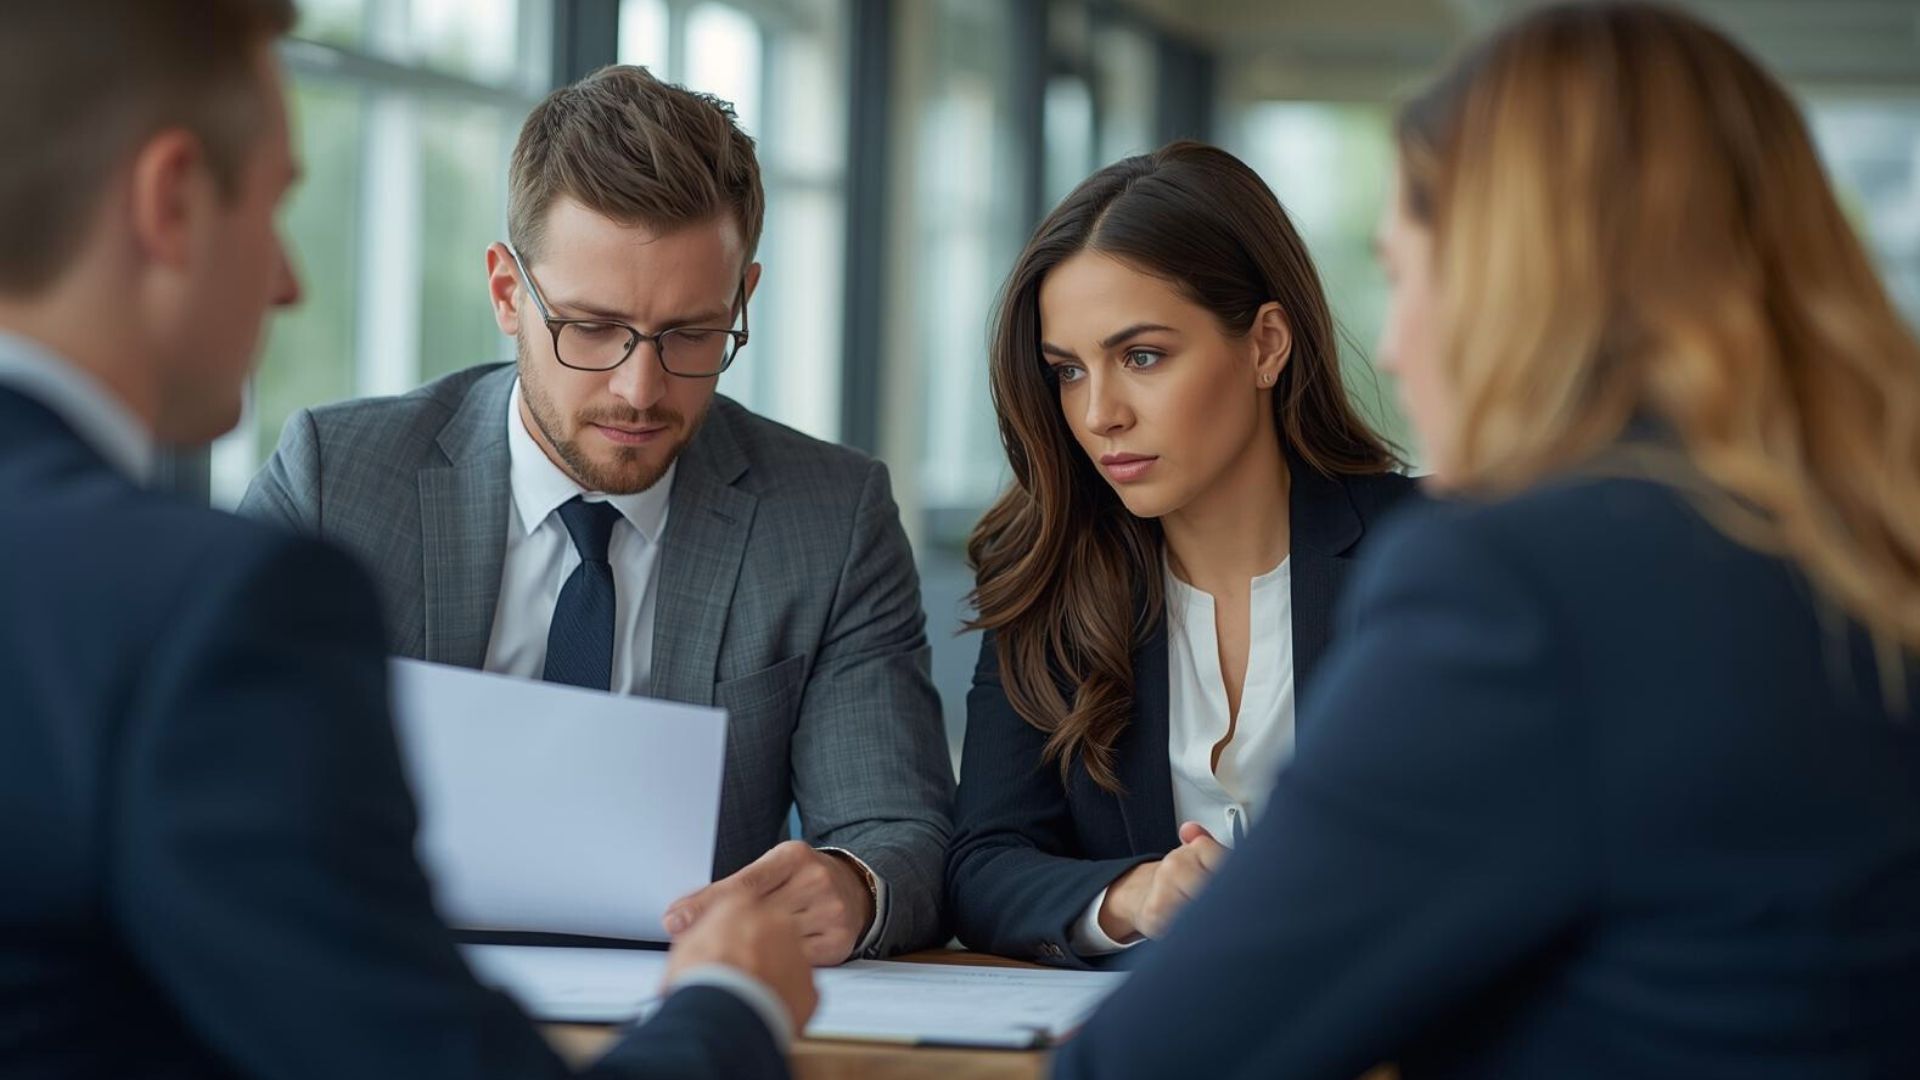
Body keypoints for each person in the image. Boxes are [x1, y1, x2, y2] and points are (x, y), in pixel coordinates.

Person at [1053, 4, 1920, 1078]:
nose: (1402, 344)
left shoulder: (1518, 585)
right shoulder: (1860, 536)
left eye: (1410, 275)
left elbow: (1155, 1061)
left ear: (1523, 284)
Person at [0, 2, 813, 1076]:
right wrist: (732, 1000)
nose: (289, 282)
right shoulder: (208, 608)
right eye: (277, 201)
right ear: (174, 201)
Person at [238, 64, 952, 964]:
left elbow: (902, 831)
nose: (639, 388)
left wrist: (852, 883)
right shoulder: (336, 483)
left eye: (692, 333)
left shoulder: (827, 519)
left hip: (686, 1006)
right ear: (507, 294)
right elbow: (204, 780)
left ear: (743, 301)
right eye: (592, 327)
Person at [947, 141, 1416, 968]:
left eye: (1142, 357)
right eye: (1067, 371)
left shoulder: (1425, 554)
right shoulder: (1047, 575)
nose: (1099, 415)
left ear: (1266, 345)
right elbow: (983, 864)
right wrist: (1134, 898)